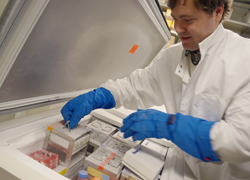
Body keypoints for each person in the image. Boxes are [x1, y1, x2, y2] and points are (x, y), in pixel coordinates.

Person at [61, 0, 250, 179]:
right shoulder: (172, 56)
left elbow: (243, 140)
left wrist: (174, 126)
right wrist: (100, 95)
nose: (177, 28)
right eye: (175, 19)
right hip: (185, 170)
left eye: (188, 20)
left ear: (217, 11)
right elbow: (137, 85)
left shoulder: (244, 57)